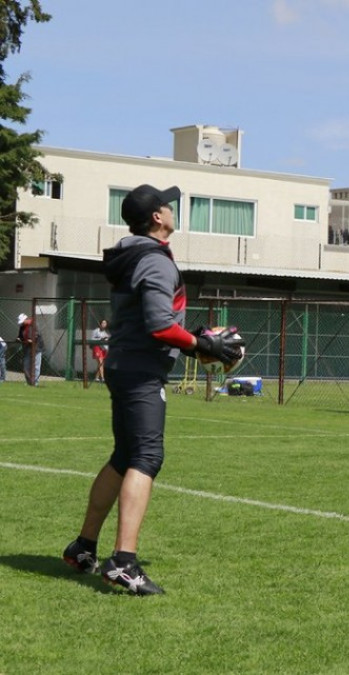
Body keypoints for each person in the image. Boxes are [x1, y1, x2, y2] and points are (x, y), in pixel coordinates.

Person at [61, 184, 243, 595]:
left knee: (125, 456)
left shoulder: (134, 253)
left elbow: (155, 321)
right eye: (167, 205)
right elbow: (160, 325)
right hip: (141, 369)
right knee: (147, 456)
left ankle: (83, 546)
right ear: (157, 218)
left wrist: (192, 341)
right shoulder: (155, 260)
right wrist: (201, 345)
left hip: (128, 363)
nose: (172, 208)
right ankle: (123, 562)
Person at [17, 312, 43, 386]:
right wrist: (19, 339)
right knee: (26, 365)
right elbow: (20, 336)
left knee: (36, 366)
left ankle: (35, 382)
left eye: (22, 322)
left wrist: (32, 339)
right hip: (27, 348)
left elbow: (37, 335)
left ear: (26, 319)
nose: (21, 324)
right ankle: (29, 382)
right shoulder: (22, 327)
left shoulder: (34, 324)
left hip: (37, 347)